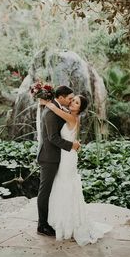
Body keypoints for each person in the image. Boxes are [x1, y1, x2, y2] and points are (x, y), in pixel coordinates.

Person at [40, 94, 112, 246]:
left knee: (65, 186)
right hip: (66, 155)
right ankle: (60, 220)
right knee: (61, 186)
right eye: (72, 100)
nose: (72, 102)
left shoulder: (71, 117)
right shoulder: (70, 115)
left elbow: (54, 107)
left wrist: (46, 101)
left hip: (67, 158)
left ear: (80, 108)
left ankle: (66, 223)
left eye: (76, 102)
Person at [37, 85, 81, 237]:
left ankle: (55, 220)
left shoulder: (58, 109)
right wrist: (72, 145)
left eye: (73, 100)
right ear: (61, 97)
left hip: (60, 157)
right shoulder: (50, 112)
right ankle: (42, 225)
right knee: (45, 191)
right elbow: (52, 138)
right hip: (49, 157)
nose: (70, 102)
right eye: (69, 99)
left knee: (57, 190)